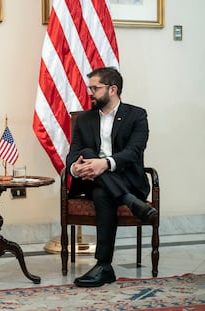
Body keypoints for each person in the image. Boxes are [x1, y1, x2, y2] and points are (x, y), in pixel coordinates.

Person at [66, 67, 158, 288]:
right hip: (89, 180)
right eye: (90, 88)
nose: (90, 92)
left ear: (113, 89)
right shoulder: (84, 119)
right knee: (86, 154)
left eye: (95, 88)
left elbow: (133, 152)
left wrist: (105, 163)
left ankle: (104, 266)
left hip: (127, 179)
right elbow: (73, 153)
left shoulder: (137, 115)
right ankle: (130, 202)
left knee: (102, 191)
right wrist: (74, 169)